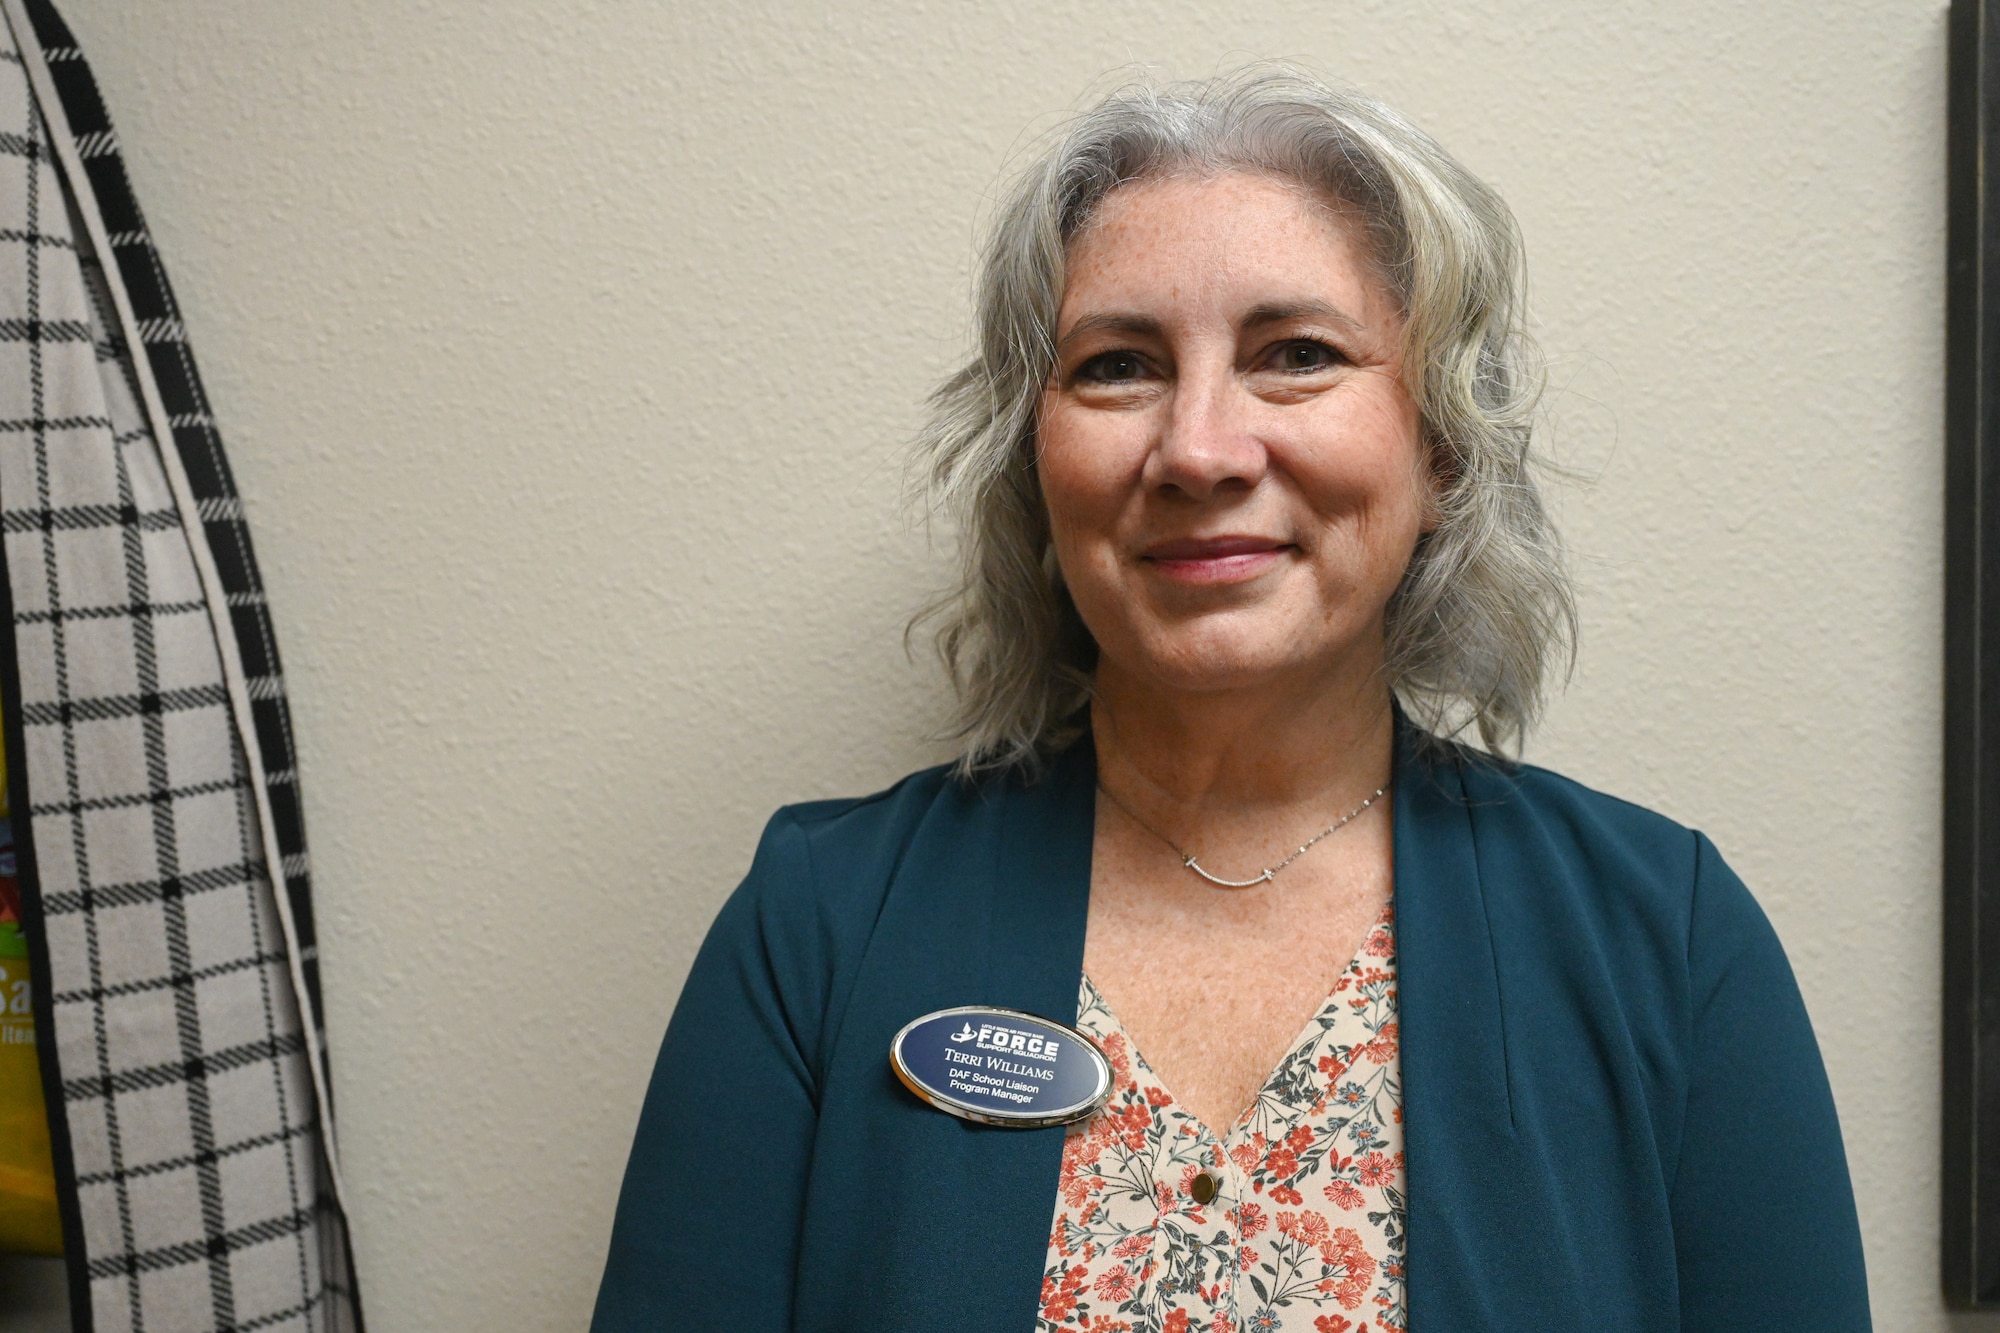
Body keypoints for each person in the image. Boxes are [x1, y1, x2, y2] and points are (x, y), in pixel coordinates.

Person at [591, 66, 1870, 1332]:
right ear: (1032, 460)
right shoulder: (815, 928)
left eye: (1296, 355)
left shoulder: (1668, 939)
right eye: (1115, 367)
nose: (1198, 448)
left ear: (1436, 446)